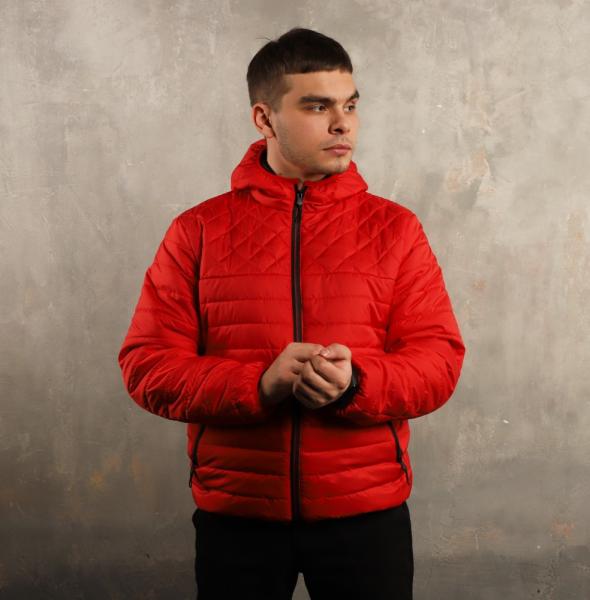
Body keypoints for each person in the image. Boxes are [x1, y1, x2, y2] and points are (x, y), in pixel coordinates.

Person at [118, 26, 466, 600]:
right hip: (239, 518)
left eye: (350, 105)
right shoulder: (197, 231)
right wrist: (258, 384)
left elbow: (439, 362)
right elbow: (147, 366)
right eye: (317, 106)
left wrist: (355, 384)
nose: (343, 124)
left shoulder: (397, 229)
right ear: (264, 118)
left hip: (366, 515)